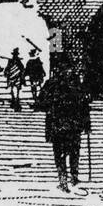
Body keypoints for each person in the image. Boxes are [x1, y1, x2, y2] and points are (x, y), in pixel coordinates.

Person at [36, 55, 92, 192]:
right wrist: (87, 125)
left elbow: (40, 103)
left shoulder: (51, 84)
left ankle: (63, 179)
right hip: (74, 124)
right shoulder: (77, 84)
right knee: (73, 151)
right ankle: (73, 176)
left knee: (60, 153)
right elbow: (84, 105)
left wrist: (50, 106)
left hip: (58, 124)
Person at [5, 47, 26, 112]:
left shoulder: (18, 61)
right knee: (13, 90)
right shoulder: (11, 61)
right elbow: (7, 69)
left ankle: (15, 102)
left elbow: (22, 69)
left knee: (15, 91)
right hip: (12, 78)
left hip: (16, 78)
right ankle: (14, 101)